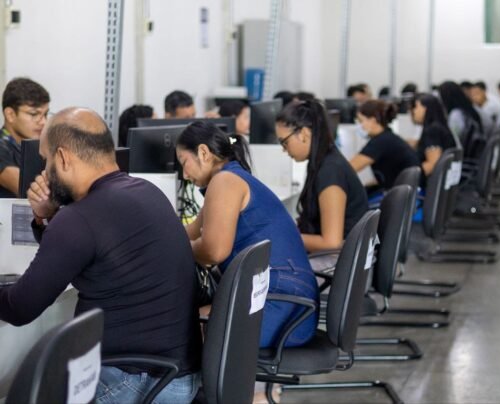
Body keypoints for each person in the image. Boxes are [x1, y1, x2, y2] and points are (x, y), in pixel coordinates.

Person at [0, 107, 202, 403]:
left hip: (135, 383)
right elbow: (83, 253)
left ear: (63, 158)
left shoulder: (80, 219)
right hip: (176, 377)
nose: (43, 172)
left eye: (46, 161)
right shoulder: (146, 191)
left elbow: (20, 308)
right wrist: (46, 216)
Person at [176, 121, 319, 349]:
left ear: (203, 153)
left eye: (184, 163)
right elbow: (188, 233)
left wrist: (181, 248)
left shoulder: (224, 181)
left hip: (281, 305)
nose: (184, 175)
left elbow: (214, 252)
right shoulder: (232, 177)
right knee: (186, 322)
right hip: (293, 302)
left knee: (181, 331)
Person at [275, 100, 368, 253]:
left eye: (284, 142)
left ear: (304, 134)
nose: (284, 150)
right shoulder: (323, 161)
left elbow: (332, 243)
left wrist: (283, 236)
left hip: (338, 259)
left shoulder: (330, 171)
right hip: (343, 256)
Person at [349, 99, 420, 192]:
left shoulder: (380, 142)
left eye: (361, 121)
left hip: (399, 194)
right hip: (406, 192)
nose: (360, 126)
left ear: (373, 120)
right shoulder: (387, 137)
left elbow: (349, 169)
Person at [0, 77, 50, 197]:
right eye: (34, 114)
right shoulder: (2, 147)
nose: (43, 121)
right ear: (10, 114)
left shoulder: (37, 146)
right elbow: (31, 191)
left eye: (45, 114)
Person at [410, 93, 457, 180]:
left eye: (416, 107)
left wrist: (407, 176)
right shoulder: (439, 127)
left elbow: (432, 164)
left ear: (426, 109)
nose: (414, 111)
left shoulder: (432, 131)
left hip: (429, 184)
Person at [438, 81, 484, 153]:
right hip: (471, 152)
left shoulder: (455, 115)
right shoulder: (468, 110)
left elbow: (453, 138)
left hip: (461, 153)